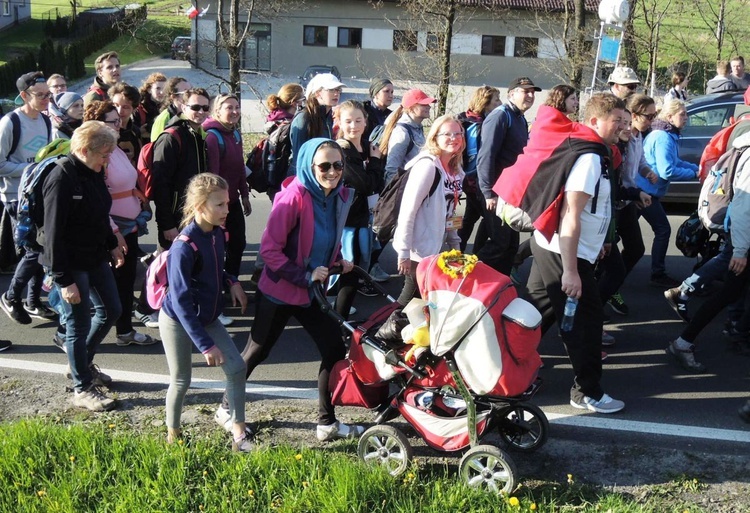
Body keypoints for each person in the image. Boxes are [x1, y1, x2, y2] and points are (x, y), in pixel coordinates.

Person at [214, 138, 364, 442]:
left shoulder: (336, 197)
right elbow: (270, 252)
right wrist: (305, 275)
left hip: (310, 291)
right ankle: (225, 408)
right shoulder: (293, 198)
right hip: (279, 291)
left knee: (334, 349)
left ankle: (327, 423)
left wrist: (337, 261)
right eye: (324, 166)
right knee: (257, 351)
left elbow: (320, 240)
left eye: (338, 165)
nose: (333, 172)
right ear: (309, 166)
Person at [524, 93, 626, 414]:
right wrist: (570, 271)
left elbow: (595, 210)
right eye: (616, 121)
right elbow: (571, 215)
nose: (623, 126)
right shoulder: (590, 158)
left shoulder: (599, 152)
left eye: (625, 121)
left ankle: (503, 370)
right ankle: (587, 392)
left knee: (534, 316)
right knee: (586, 320)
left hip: (552, 245)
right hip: (564, 251)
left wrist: (601, 242)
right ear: (594, 122)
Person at [160, 173, 251, 450]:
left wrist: (232, 281)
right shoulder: (183, 247)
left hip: (207, 317)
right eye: (219, 205)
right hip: (178, 320)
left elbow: (214, 269)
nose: (226, 210)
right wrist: (205, 346)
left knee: (236, 368)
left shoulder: (216, 234)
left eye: (227, 203)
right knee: (181, 380)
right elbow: (180, 302)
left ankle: (239, 432)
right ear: (199, 206)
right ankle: (173, 434)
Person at [40, 121, 125, 411]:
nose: (108, 159)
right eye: (104, 153)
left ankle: (82, 365)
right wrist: (64, 280)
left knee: (112, 310)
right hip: (69, 262)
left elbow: (99, 213)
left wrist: (111, 242)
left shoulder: (94, 173)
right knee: (78, 323)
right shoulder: (61, 177)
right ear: (84, 149)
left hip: (94, 255)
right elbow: (52, 233)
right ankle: (82, 388)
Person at [666, 130, 750, 373]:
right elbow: (744, 207)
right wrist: (741, 250)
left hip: (743, 238)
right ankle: (684, 342)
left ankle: (736, 332)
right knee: (728, 293)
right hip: (744, 239)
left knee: (732, 291)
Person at [83, 101, 154, 347]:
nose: (118, 124)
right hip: (113, 228)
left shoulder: (115, 149)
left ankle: (125, 331)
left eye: (118, 119)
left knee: (124, 281)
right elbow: (97, 198)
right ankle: (74, 337)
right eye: (111, 121)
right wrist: (113, 231)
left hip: (129, 225)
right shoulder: (98, 155)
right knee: (107, 285)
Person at [393, 114, 465, 306]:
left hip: (435, 248)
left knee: (422, 299)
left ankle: (400, 332)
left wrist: (455, 246)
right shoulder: (427, 167)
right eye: (447, 134)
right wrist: (404, 251)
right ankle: (381, 333)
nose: (454, 138)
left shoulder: (455, 170)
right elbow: (408, 210)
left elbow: (451, 212)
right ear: (435, 138)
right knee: (410, 298)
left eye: (458, 133)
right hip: (417, 248)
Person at [0, 72, 54, 326]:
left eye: (48, 94)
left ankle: (33, 301)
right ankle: (11, 297)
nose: (46, 99)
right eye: (40, 95)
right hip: (15, 198)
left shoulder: (45, 121)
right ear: (24, 96)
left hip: (39, 194)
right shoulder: (10, 122)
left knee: (40, 247)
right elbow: (0, 164)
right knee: (32, 250)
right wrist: (31, 168)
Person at [476, 77, 538, 275]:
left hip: (510, 191)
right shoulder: (500, 116)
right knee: (499, 244)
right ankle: (465, 280)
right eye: (525, 91)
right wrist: (488, 193)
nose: (530, 95)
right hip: (495, 192)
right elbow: (486, 156)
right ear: (512, 94)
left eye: (532, 92)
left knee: (510, 246)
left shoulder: (519, 116)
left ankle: (500, 289)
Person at [605, 94, 658, 315]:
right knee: (606, 255)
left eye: (655, 115)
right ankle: (603, 292)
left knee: (636, 248)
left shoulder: (637, 138)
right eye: (649, 116)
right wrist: (637, 193)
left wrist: (647, 172)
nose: (652, 120)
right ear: (635, 115)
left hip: (627, 200)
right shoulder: (620, 144)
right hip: (613, 204)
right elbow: (616, 184)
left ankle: (609, 287)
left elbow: (641, 161)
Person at [637, 100, 699, 288]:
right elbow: (667, 171)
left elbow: (676, 161)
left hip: (645, 191)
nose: (686, 118)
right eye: (682, 114)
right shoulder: (663, 137)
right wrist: (695, 174)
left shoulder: (667, 135)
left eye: (686, 114)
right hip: (645, 192)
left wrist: (698, 168)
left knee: (624, 233)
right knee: (663, 229)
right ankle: (657, 274)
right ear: (669, 117)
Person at [203, 93, 251, 328]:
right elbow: (213, 176)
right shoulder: (213, 137)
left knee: (238, 244)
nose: (234, 111)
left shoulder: (235, 134)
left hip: (232, 203)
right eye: (228, 107)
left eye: (236, 107)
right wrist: (218, 209)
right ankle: (215, 301)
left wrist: (244, 196)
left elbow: (239, 167)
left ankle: (230, 284)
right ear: (216, 111)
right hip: (218, 205)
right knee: (215, 252)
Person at [333, 100, 384, 310]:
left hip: (361, 218)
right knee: (348, 272)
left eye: (358, 120)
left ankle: (340, 313)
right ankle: (339, 319)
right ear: (339, 123)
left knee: (355, 271)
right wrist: (375, 162)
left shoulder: (365, 147)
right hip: (346, 223)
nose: (353, 126)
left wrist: (373, 161)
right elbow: (367, 184)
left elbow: (376, 184)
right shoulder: (342, 150)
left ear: (366, 122)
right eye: (348, 121)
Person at [151, 88, 209, 251]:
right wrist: (167, 225)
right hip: (176, 219)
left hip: (196, 215)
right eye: (196, 107)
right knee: (170, 269)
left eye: (205, 108)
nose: (201, 112)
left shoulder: (199, 135)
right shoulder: (171, 137)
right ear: (183, 107)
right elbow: (160, 185)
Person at [456, 85, 501, 252]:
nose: (500, 103)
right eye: (496, 100)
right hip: (476, 181)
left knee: (470, 218)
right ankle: (476, 255)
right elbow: (476, 158)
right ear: (485, 103)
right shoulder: (479, 125)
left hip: (472, 181)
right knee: (489, 220)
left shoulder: (470, 120)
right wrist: (476, 180)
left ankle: (458, 252)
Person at [289, 73, 345, 175]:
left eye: (338, 90)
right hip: (305, 179)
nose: (336, 94)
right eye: (331, 90)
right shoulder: (303, 119)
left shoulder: (328, 117)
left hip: (323, 175)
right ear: (317, 93)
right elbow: (299, 159)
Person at [379, 88, 435, 185]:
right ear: (411, 108)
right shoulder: (402, 133)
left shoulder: (417, 127)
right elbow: (392, 169)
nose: (429, 107)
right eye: (424, 104)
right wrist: (391, 196)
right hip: (403, 191)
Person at [108, 83, 142, 168]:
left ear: (134, 109)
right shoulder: (106, 131)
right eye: (116, 105)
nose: (119, 111)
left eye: (125, 107)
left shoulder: (135, 131)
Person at [150, 77, 192, 141]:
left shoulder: (192, 114)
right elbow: (157, 146)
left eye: (192, 91)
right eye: (186, 93)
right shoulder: (163, 119)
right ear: (173, 96)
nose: (191, 96)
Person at [135, 72, 167, 145]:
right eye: (158, 88)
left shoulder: (169, 107)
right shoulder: (139, 108)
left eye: (164, 89)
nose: (161, 92)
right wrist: (139, 131)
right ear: (149, 89)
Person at [363, 77, 394, 143]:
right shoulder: (363, 111)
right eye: (386, 91)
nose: (391, 95)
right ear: (376, 94)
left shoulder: (392, 115)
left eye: (392, 92)